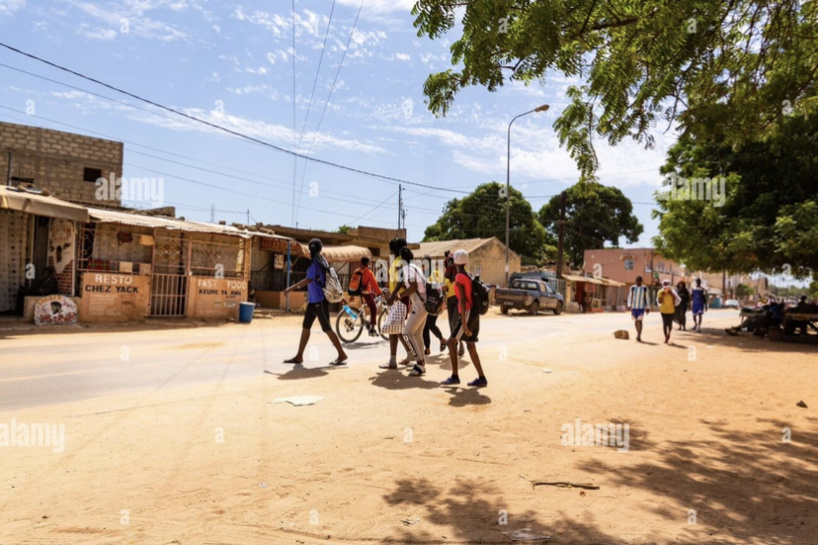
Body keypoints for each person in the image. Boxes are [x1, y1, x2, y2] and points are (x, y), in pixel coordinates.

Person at [283, 238, 348, 366]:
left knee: (327, 328)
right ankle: (299, 356)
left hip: (319, 301)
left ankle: (342, 354)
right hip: (314, 301)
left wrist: (290, 288)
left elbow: (308, 280)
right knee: (306, 326)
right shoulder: (321, 260)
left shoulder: (315, 263)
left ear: (310, 250)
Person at [442, 250, 487, 387]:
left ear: (455, 262)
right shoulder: (468, 275)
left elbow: (461, 301)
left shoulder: (459, 277)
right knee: (470, 345)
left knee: (451, 343)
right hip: (474, 313)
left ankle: (455, 376)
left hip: (467, 313)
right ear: (466, 262)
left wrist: (464, 324)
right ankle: (481, 378)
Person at [387, 246, 428, 377]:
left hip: (419, 304)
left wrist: (399, 296)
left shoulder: (407, 269)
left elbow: (413, 286)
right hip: (425, 303)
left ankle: (419, 363)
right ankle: (422, 364)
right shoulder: (415, 267)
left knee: (407, 333)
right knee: (417, 334)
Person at [380, 237, 413, 369]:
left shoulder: (399, 262)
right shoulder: (400, 261)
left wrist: (393, 295)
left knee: (394, 329)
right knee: (397, 329)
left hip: (400, 299)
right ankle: (410, 353)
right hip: (398, 298)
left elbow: (401, 280)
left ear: (393, 249)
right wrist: (390, 291)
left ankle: (392, 361)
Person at [351, 256, 382, 336]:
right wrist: (380, 293)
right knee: (374, 308)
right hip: (365, 292)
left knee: (372, 295)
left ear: (361, 263)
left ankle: (367, 319)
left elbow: (353, 282)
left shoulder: (357, 270)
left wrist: (352, 294)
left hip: (358, 291)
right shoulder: (368, 272)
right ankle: (372, 328)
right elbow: (374, 284)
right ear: (368, 263)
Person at [422, 255, 446, 355]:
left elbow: (440, 287)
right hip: (428, 303)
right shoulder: (423, 274)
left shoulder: (433, 273)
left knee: (429, 324)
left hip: (434, 303)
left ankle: (442, 339)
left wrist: (443, 302)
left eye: (424, 263)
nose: (423, 265)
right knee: (425, 326)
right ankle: (427, 348)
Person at [443, 251, 465, 356]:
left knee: (454, 323)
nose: (450, 263)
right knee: (450, 323)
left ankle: (460, 343)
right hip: (449, 300)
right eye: (449, 261)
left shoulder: (461, 273)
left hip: (458, 299)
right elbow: (446, 286)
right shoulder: (447, 274)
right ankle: (455, 346)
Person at [657, 279, 682, 344]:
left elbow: (677, 301)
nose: (665, 286)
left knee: (670, 324)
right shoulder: (660, 292)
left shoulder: (673, 291)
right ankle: (666, 337)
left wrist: (672, 295)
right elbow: (659, 302)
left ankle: (669, 333)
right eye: (664, 285)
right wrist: (662, 296)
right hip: (663, 310)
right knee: (665, 324)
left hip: (671, 311)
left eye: (667, 284)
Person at [626, 275, 650, 342]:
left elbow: (647, 298)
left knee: (640, 321)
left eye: (639, 281)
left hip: (641, 307)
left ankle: (639, 335)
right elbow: (630, 296)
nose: (638, 282)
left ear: (641, 281)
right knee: (636, 321)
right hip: (634, 307)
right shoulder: (632, 288)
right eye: (637, 281)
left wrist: (647, 307)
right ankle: (637, 333)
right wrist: (629, 305)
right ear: (635, 281)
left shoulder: (645, 288)